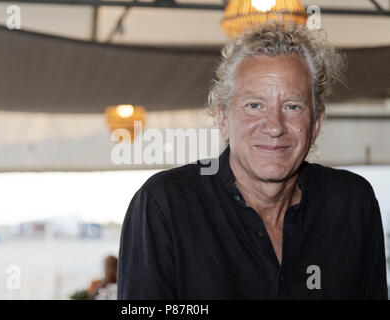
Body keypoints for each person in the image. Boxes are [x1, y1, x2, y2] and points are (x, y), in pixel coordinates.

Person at [118, 21, 388, 299]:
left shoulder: (352, 203)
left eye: (292, 106)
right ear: (223, 118)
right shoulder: (165, 205)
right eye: (254, 105)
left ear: (316, 123)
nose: (274, 126)